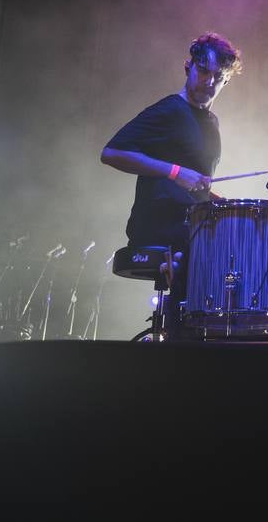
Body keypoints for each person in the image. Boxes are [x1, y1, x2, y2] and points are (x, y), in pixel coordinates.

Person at [101, 32, 241, 324]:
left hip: (190, 221)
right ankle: (180, 330)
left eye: (218, 77)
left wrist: (218, 201)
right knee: (200, 250)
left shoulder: (211, 122)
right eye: (203, 71)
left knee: (238, 244)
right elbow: (111, 152)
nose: (209, 82)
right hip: (158, 223)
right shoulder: (169, 110)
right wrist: (174, 172)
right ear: (188, 67)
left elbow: (195, 185)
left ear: (226, 81)